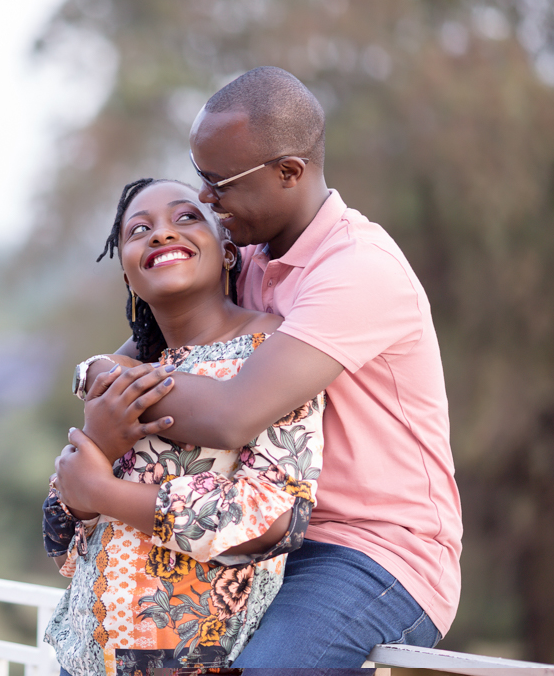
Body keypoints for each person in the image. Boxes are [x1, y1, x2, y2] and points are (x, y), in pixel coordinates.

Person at [72, 67, 461, 670]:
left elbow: (230, 416)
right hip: (262, 538)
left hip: (373, 550)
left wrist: (114, 399)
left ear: (289, 172)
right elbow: (147, 352)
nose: (205, 198)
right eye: (201, 177)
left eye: (218, 181)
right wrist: (99, 371)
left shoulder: (358, 270)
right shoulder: (248, 256)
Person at [43, 178, 325, 673]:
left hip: (197, 661)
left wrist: (103, 493)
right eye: (139, 230)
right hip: (85, 660)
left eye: (186, 217)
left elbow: (273, 520)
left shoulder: (271, 353)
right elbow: (60, 539)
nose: (160, 234)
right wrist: (99, 449)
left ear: (229, 251)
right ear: (129, 275)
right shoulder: (124, 376)